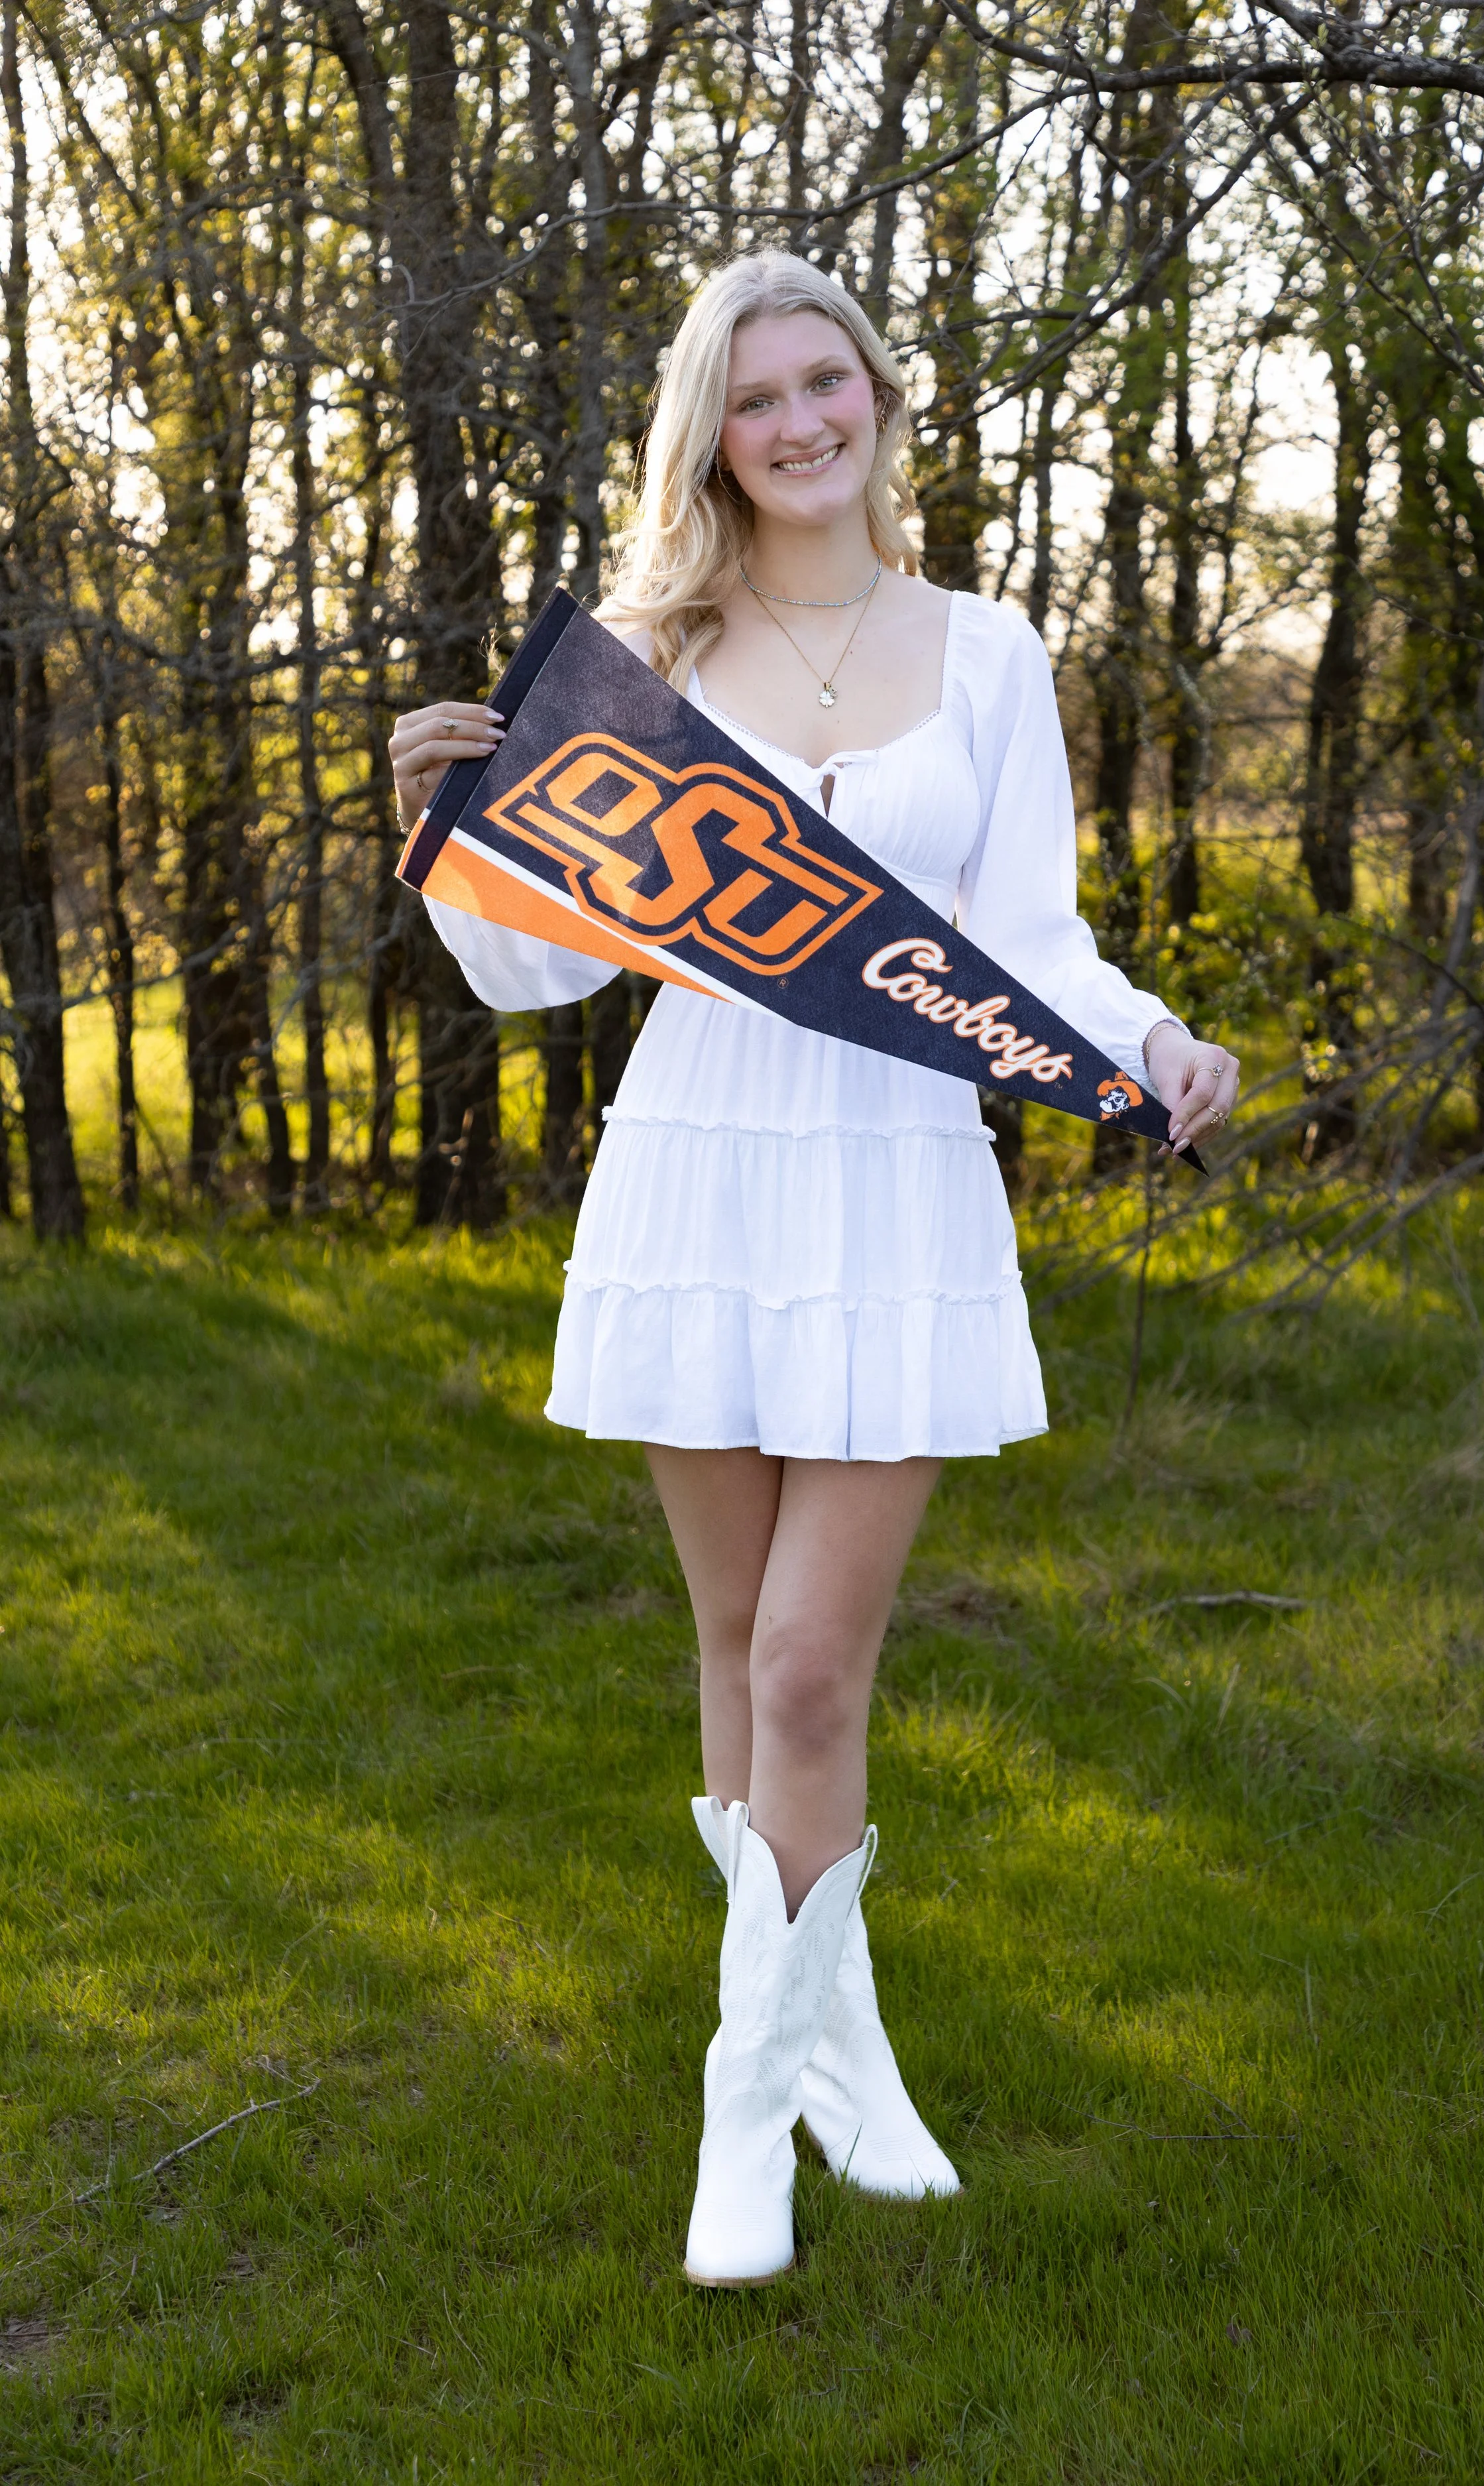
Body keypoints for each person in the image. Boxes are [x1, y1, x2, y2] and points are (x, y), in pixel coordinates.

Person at [388, 251, 1241, 2289]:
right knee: (726, 1644)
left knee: (803, 1663)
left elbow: (1024, 938)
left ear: (876, 393)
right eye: (753, 396)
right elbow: (546, 967)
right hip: (698, 1163)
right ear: (713, 433)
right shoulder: (648, 650)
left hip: (892, 1177)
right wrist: (443, 826)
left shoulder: (988, 649)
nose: (796, 422)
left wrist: (1147, 1043)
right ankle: (830, 2068)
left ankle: (736, 2107)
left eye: (822, 379)